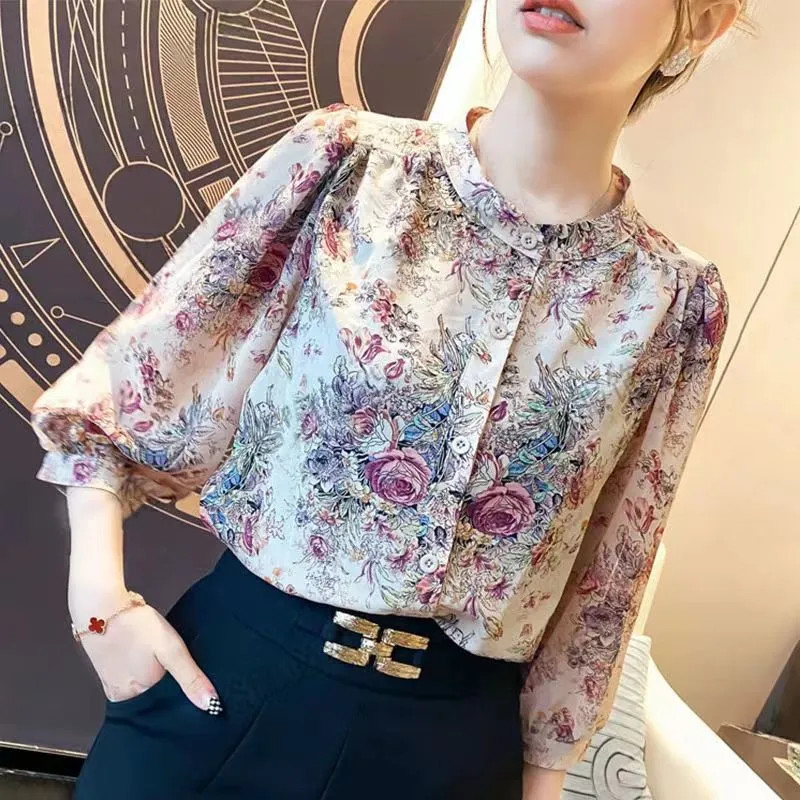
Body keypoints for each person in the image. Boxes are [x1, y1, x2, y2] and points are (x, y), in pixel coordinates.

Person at [31, 0, 745, 797]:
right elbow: (133, 381)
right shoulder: (349, 165)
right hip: (227, 695)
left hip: (449, 752)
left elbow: (610, 571)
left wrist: (543, 777)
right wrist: (99, 607)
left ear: (705, 20)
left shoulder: (671, 300)